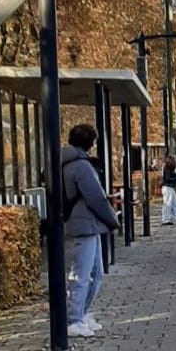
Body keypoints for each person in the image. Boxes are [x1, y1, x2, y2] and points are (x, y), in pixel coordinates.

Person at [61, 124, 120, 337]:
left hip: (86, 223)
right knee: (83, 274)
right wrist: (113, 220)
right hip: (84, 224)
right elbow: (96, 198)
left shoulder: (68, 162)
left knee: (95, 273)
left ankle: (81, 314)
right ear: (91, 143)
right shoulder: (81, 167)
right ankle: (74, 318)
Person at [161, 156, 176, 225]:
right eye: (173, 161)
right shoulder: (167, 168)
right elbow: (167, 179)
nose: (175, 162)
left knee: (175, 203)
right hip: (167, 187)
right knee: (167, 204)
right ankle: (165, 220)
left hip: (170, 188)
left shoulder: (168, 168)